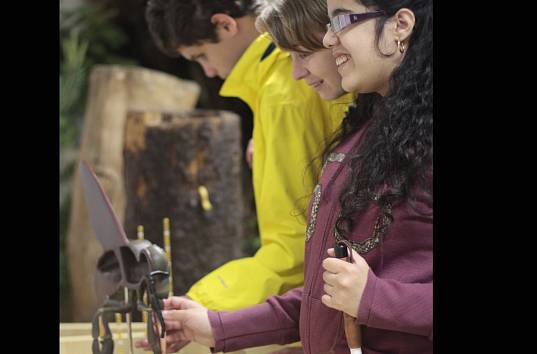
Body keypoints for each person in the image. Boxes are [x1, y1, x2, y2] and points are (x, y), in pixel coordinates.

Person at [139, 0, 433, 353]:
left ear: (400, 25)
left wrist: (376, 298)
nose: (327, 38)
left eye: (340, 20)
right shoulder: (363, 134)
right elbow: (321, 296)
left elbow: (347, 290)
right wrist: (216, 327)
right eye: (326, 23)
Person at [145, 0, 351, 312]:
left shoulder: (283, 96)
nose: (210, 71)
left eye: (201, 56)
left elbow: (295, 251)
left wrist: (201, 303)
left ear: (225, 25)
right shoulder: (283, 85)